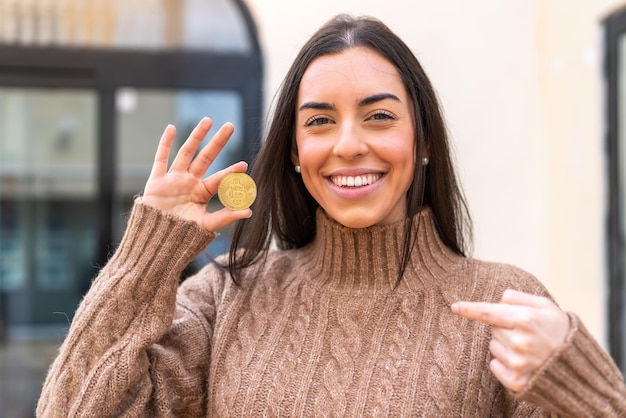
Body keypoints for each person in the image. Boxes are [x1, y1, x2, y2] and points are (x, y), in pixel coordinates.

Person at [37, 14, 626, 417]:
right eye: (319, 121)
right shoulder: (227, 296)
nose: (347, 145)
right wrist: (146, 259)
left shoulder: (501, 303)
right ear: (296, 153)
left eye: (378, 116)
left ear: (422, 140)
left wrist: (581, 383)